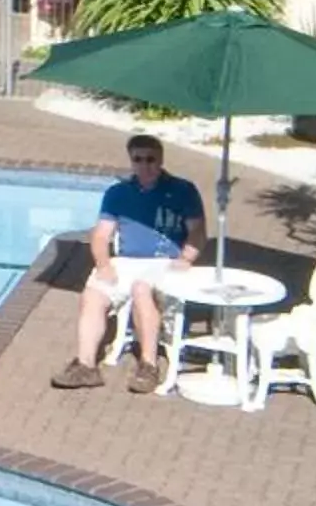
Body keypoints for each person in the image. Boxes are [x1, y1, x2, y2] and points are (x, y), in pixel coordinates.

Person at [54, 135, 208, 394]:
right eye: (138, 159)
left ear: (160, 160)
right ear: (131, 161)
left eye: (151, 159)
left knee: (140, 288)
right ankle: (86, 366)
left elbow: (198, 232)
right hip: (125, 260)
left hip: (165, 262)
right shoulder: (118, 194)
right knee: (93, 293)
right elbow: (101, 235)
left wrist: (186, 259)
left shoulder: (183, 190)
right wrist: (103, 265)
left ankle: (148, 366)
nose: (145, 165)